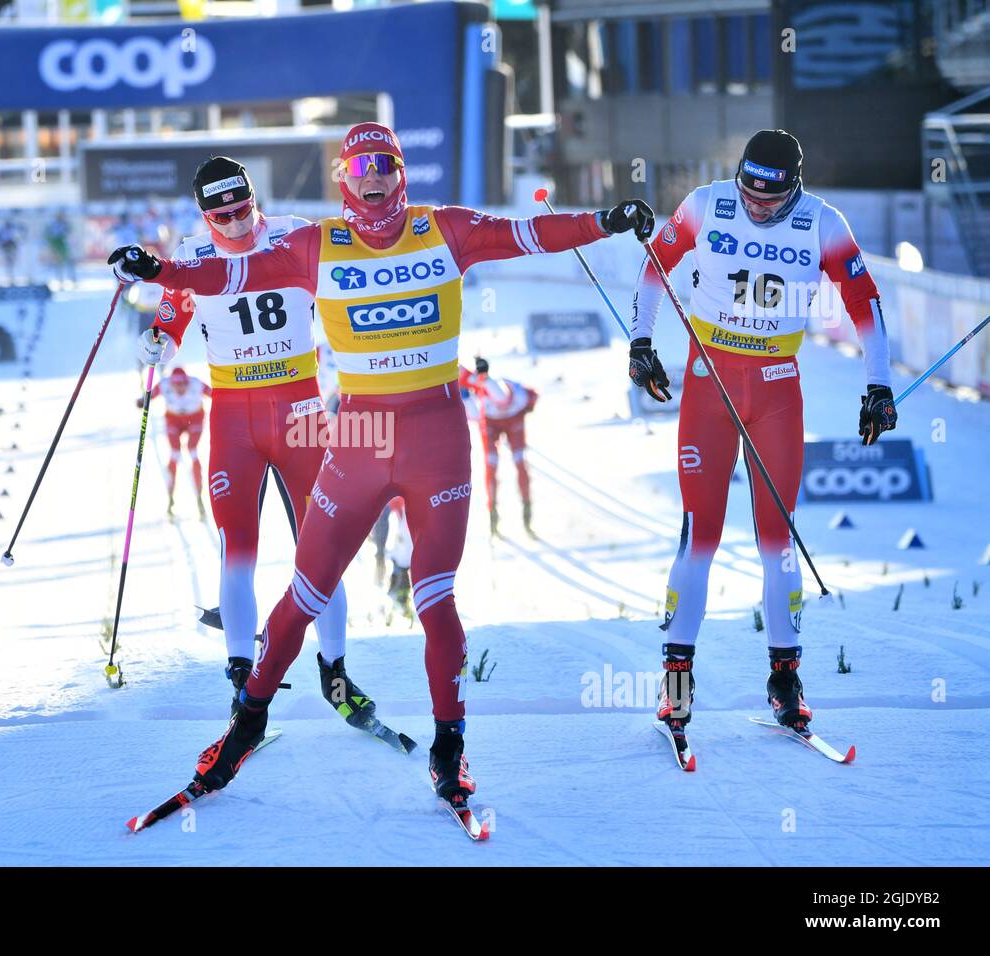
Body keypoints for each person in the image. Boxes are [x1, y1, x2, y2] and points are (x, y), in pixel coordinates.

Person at [111, 122, 653, 810]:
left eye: (387, 165)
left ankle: (447, 751)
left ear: (402, 174)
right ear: (345, 178)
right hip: (359, 434)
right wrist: (158, 276)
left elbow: (527, 235)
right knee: (301, 590)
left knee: (435, 596)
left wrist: (606, 221)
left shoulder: (442, 227)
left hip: (434, 435)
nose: (374, 179)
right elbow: (223, 276)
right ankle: (245, 726)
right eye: (362, 167)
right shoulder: (314, 244)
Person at [628, 128, 896, 747]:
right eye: (748, 193)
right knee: (701, 534)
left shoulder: (823, 223)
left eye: (769, 201)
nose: (755, 206)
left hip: (777, 389)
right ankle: (676, 689)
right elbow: (654, 268)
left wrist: (877, 386)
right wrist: (641, 344)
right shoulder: (706, 202)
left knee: (777, 539)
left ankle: (785, 680)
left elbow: (865, 302)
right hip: (708, 383)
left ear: (793, 189)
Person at [133, 156, 369, 723]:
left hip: (301, 410)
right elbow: (168, 326)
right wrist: (155, 345)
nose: (235, 225)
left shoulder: (294, 235)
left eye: (242, 211)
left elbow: (355, 284)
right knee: (235, 550)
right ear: (202, 214)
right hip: (234, 418)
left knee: (322, 548)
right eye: (221, 217)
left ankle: (334, 675)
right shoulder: (189, 256)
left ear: (253, 199)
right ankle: (242, 679)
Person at [458, 357, 539, 537]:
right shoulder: (480, 400)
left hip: (514, 419)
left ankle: (527, 514)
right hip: (490, 422)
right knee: (491, 466)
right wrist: (466, 393)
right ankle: (493, 516)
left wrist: (482, 375)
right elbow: (457, 371)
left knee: (520, 463)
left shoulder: (518, 396)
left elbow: (523, 396)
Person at [140, 366, 213, 519]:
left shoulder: (195, 384)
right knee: (174, 454)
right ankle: (170, 496)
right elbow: (150, 395)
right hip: (173, 419)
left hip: (195, 418)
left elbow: (214, 394)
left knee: (192, 450)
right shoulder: (165, 385)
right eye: (176, 385)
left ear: (187, 383)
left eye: (183, 385)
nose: (180, 389)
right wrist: (142, 401)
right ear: (171, 384)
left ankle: (199, 495)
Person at [43, 212, 76, 286]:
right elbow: (48, 235)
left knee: (68, 262)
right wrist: (52, 245)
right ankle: (61, 280)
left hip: (63, 246)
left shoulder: (64, 224)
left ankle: (72, 278)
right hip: (57, 245)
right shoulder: (53, 225)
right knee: (59, 263)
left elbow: (69, 231)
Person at [0, 218, 26, 285]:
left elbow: (22, 228)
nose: (8, 226)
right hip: (6, 245)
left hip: (11, 245)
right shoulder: (1, 230)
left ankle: (12, 275)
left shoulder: (13, 228)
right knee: (9, 261)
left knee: (12, 261)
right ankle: (11, 277)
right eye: (7, 225)